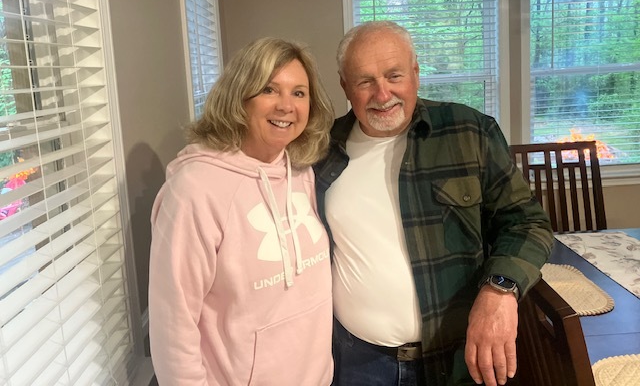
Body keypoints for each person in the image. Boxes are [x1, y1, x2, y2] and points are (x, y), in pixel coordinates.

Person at [314, 21, 554, 386]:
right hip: (357, 361)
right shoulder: (321, 149)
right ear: (345, 85)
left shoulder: (469, 131)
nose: (382, 94)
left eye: (394, 75)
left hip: (457, 358)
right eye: (365, 81)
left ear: (416, 73)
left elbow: (526, 222)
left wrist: (500, 289)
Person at [149, 38, 335, 385]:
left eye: (299, 93)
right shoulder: (194, 190)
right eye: (269, 89)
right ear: (239, 96)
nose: (286, 106)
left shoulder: (301, 172)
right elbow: (173, 326)